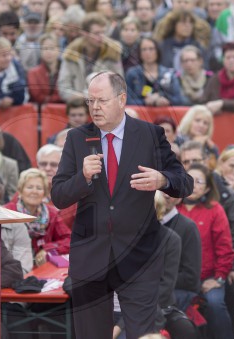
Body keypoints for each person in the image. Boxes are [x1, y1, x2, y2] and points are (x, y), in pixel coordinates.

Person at [51, 71, 193, 338]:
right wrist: (82, 178)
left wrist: (162, 179)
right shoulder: (77, 138)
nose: (94, 108)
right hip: (90, 258)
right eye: (90, 101)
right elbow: (58, 196)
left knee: (142, 335)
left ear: (122, 99)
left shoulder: (150, 135)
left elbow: (185, 182)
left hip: (138, 257)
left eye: (101, 101)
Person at [177, 163, 234, 339]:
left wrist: (219, 277)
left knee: (215, 303)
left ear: (207, 187)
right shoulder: (173, 208)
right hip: (178, 278)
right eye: (189, 179)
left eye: (199, 181)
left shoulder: (215, 210)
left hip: (208, 276)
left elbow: (225, 248)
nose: (193, 185)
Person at [5, 168, 71, 266]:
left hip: (42, 268)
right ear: (20, 190)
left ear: (44, 194)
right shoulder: (8, 212)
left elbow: (70, 240)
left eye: (39, 188)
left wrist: (47, 249)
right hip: (14, 267)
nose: (34, 191)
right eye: (29, 187)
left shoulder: (52, 214)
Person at [57, 12, 123, 102]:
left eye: (103, 32)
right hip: (77, 107)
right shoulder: (70, 55)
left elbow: (119, 86)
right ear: (84, 33)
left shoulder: (112, 53)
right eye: (97, 33)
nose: (101, 36)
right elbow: (64, 88)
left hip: (105, 107)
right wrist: (84, 98)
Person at [158, 191, 202, 312]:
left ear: (180, 198)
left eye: (171, 191)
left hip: (174, 295)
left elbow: (191, 278)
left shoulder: (188, 228)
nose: (166, 195)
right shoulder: (141, 224)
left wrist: (155, 280)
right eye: (162, 190)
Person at [125, 37, 183, 106]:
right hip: (139, 115)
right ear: (139, 53)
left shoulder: (169, 74)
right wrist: (145, 102)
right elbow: (127, 101)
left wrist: (163, 98)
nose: (148, 52)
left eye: (151, 49)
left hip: (165, 114)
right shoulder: (132, 74)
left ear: (157, 51)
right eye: (144, 49)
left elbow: (179, 100)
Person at [27, 33, 63, 104]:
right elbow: (38, 96)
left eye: (52, 48)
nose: (48, 52)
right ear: (40, 51)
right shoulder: (33, 73)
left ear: (58, 50)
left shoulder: (66, 71)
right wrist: (60, 98)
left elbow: (67, 93)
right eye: (45, 48)